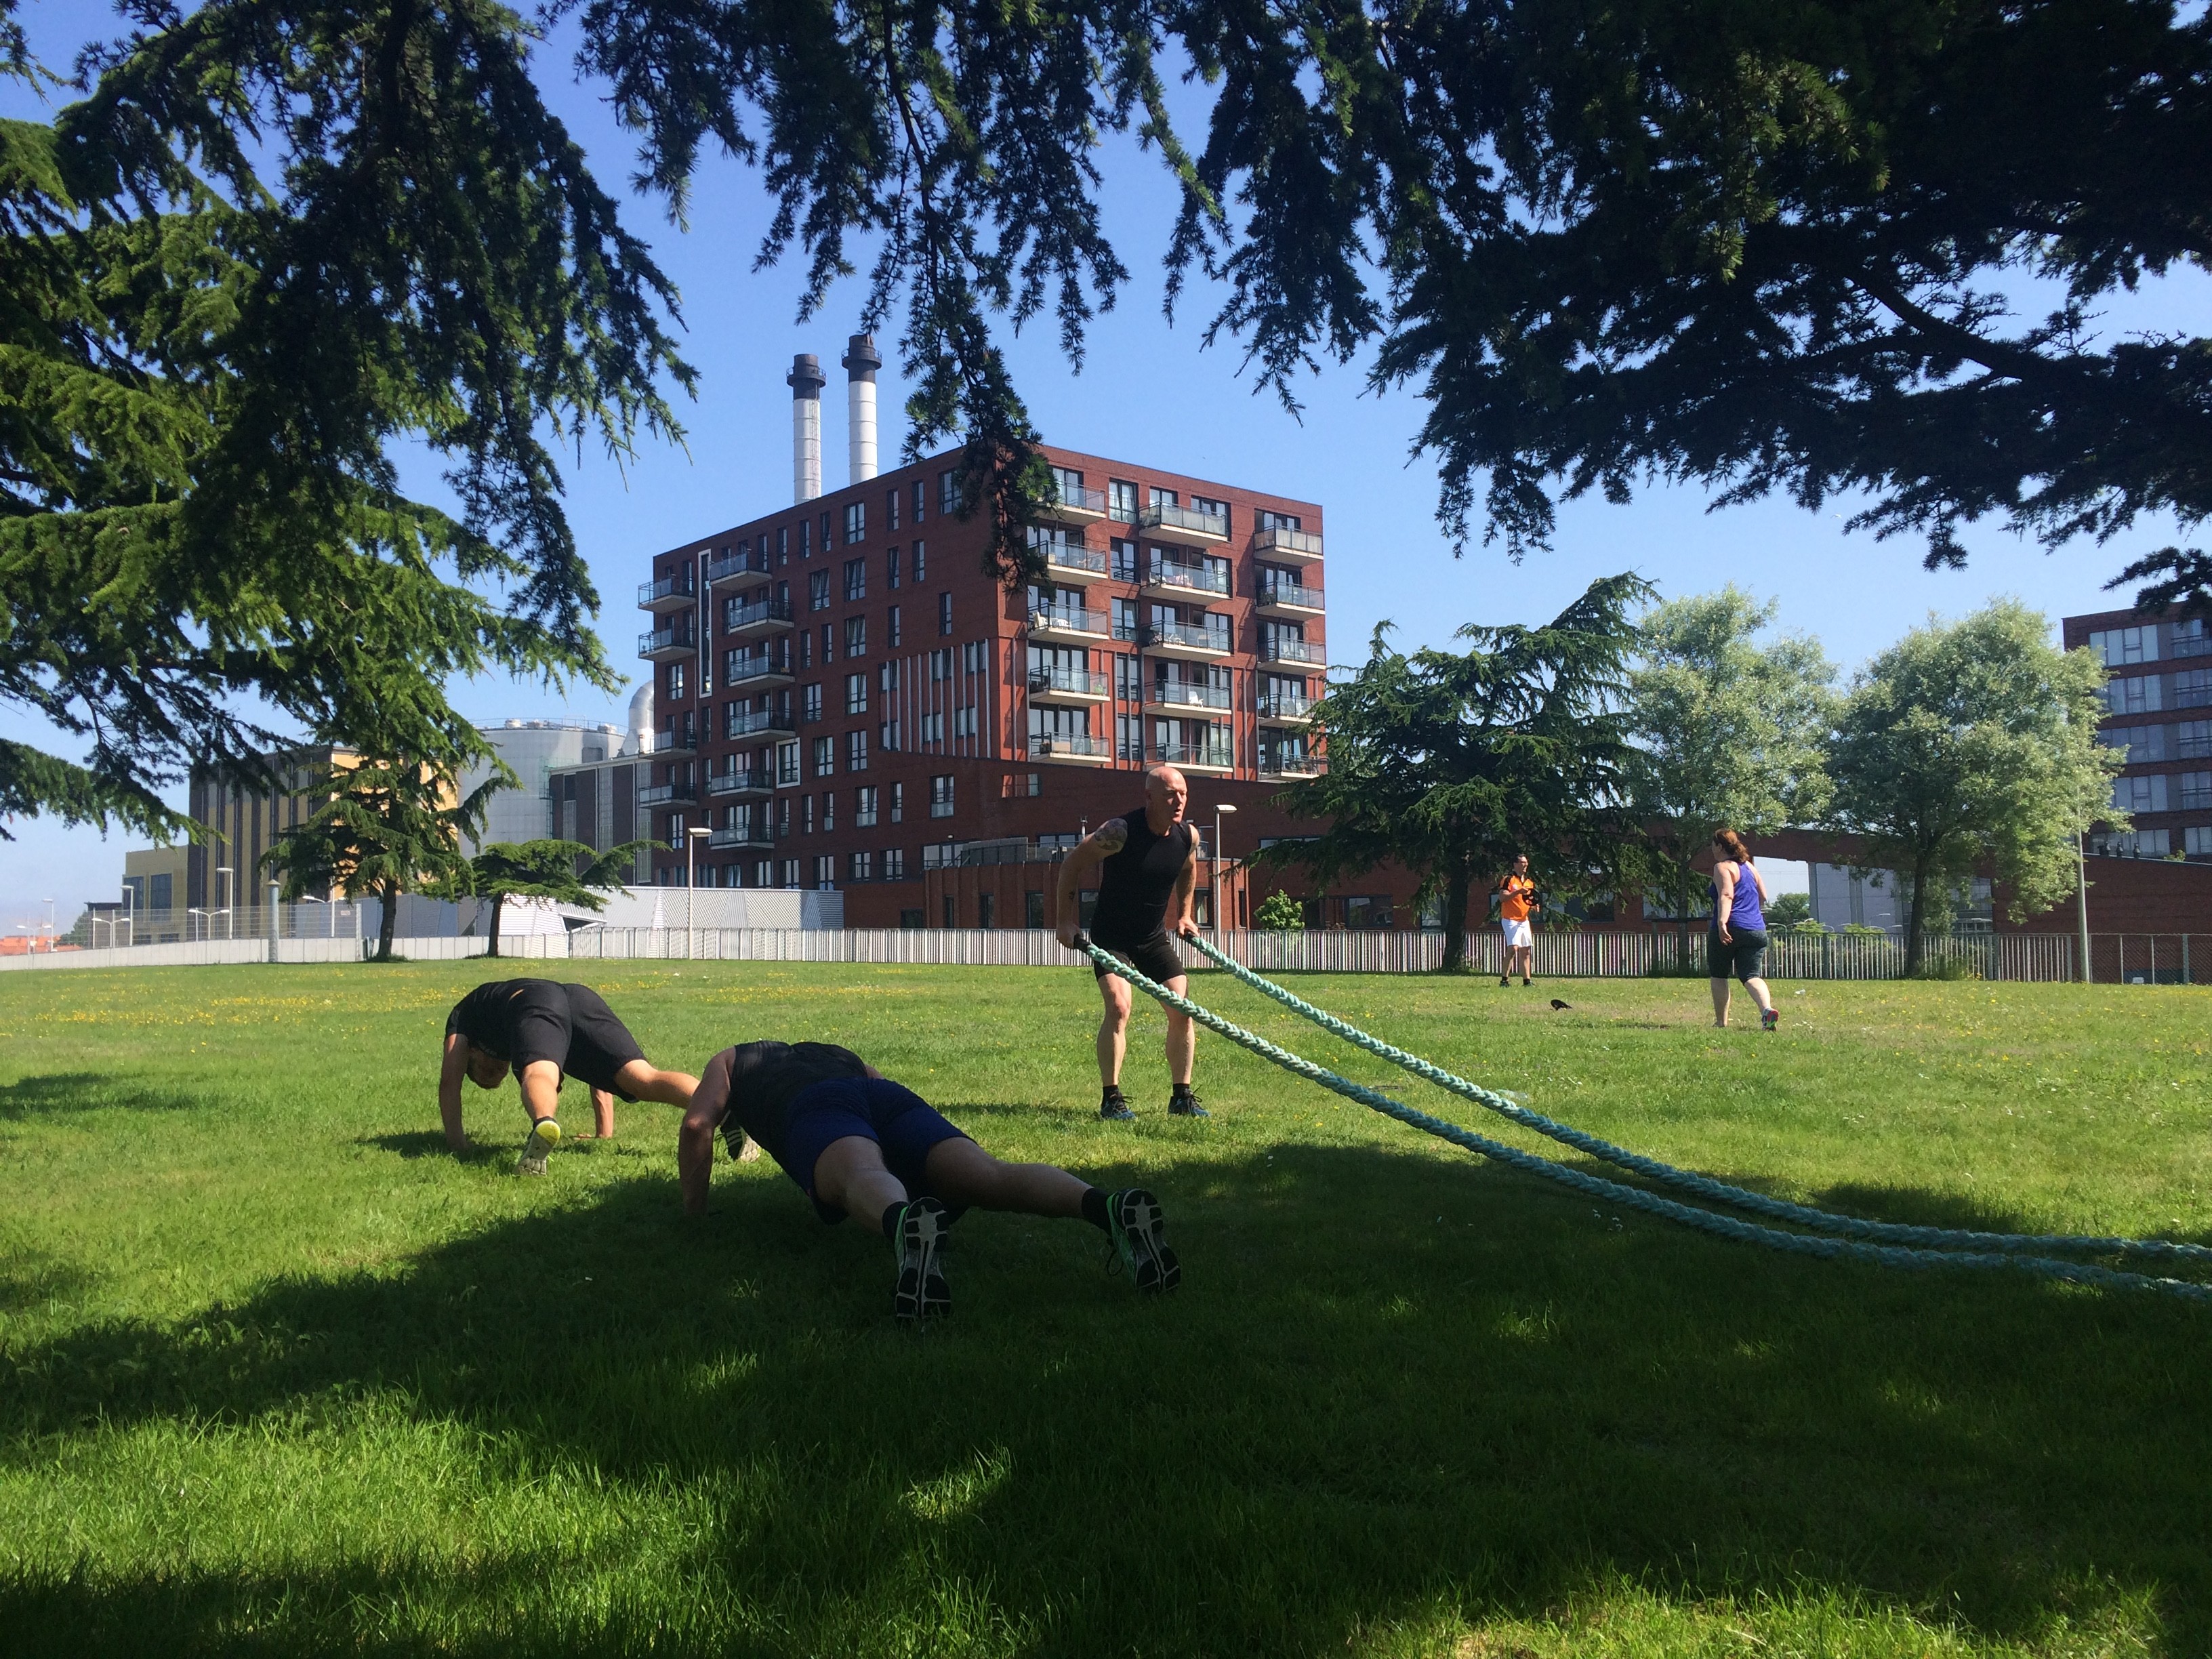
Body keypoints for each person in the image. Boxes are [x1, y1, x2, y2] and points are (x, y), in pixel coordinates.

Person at [677, 1039, 1181, 1320]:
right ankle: (1107, 1208)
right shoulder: (839, 1052)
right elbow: (873, 1095)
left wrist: (694, 1215)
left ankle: (904, 1224)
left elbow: (699, 1124)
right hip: (886, 1095)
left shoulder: (731, 1059)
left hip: (816, 1108)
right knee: (989, 1175)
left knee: (862, 1175)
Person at [1052, 763, 1206, 1120]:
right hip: (1112, 938)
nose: (1179, 801)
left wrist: (1184, 915)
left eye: (1183, 794)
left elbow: (1189, 869)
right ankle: (1111, 1099)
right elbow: (1072, 866)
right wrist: (1063, 921)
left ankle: (1181, 1099)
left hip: (1152, 938)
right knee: (1120, 1008)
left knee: (1181, 1009)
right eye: (1171, 795)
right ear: (1149, 797)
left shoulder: (1187, 836)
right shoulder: (1119, 832)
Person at [440, 979, 701, 1173]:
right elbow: (597, 1072)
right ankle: (725, 1104)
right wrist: (604, 1134)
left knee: (540, 1071)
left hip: (531, 999)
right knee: (641, 1079)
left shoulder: (463, 1019)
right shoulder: (500, 1030)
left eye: (488, 1071)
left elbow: (449, 1084)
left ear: (471, 1056)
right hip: (578, 998)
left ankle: (543, 1123)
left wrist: (457, 1145)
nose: (498, 1070)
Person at [1709, 830, 1778, 1030]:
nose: (1711, 849)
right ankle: (1767, 1011)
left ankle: (1721, 1023)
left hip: (1732, 927)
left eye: (1713, 845)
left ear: (1720, 847)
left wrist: (1723, 923)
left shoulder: (1722, 867)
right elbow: (1763, 896)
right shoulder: (1749, 866)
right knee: (1751, 975)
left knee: (1719, 974)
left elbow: (1727, 895)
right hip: (1756, 930)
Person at [1492, 855, 1539, 986]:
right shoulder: (1508, 879)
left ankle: (1527, 981)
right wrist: (1517, 892)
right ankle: (1504, 980)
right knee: (1513, 948)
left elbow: (1529, 900)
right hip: (1510, 919)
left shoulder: (1529, 882)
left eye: (1526, 863)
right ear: (1515, 864)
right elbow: (1502, 898)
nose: (1525, 865)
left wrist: (1534, 905)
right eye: (1522, 863)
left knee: (1526, 950)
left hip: (1524, 920)